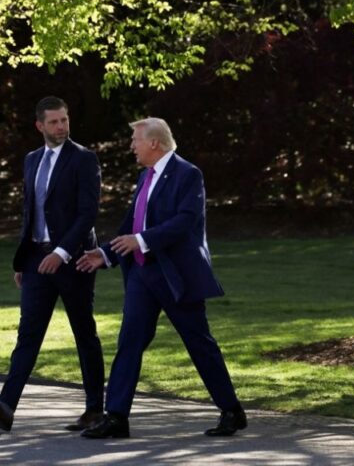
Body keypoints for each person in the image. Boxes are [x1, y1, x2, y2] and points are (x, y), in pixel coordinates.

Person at [76, 117, 245, 438]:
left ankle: (231, 410)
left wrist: (141, 240)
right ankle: (116, 417)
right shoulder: (145, 176)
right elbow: (132, 224)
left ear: (154, 143)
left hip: (176, 275)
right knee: (129, 341)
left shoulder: (188, 174)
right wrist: (107, 254)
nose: (131, 146)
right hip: (142, 275)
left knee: (199, 343)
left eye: (135, 140)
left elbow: (185, 221)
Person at [0, 96, 105, 432]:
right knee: (28, 334)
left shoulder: (84, 159)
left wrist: (61, 252)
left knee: (84, 333)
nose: (61, 127)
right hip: (35, 260)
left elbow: (88, 213)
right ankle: (5, 407)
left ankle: (94, 410)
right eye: (53, 122)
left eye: (64, 120)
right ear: (39, 125)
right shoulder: (31, 160)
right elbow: (30, 212)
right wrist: (23, 260)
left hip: (74, 261)